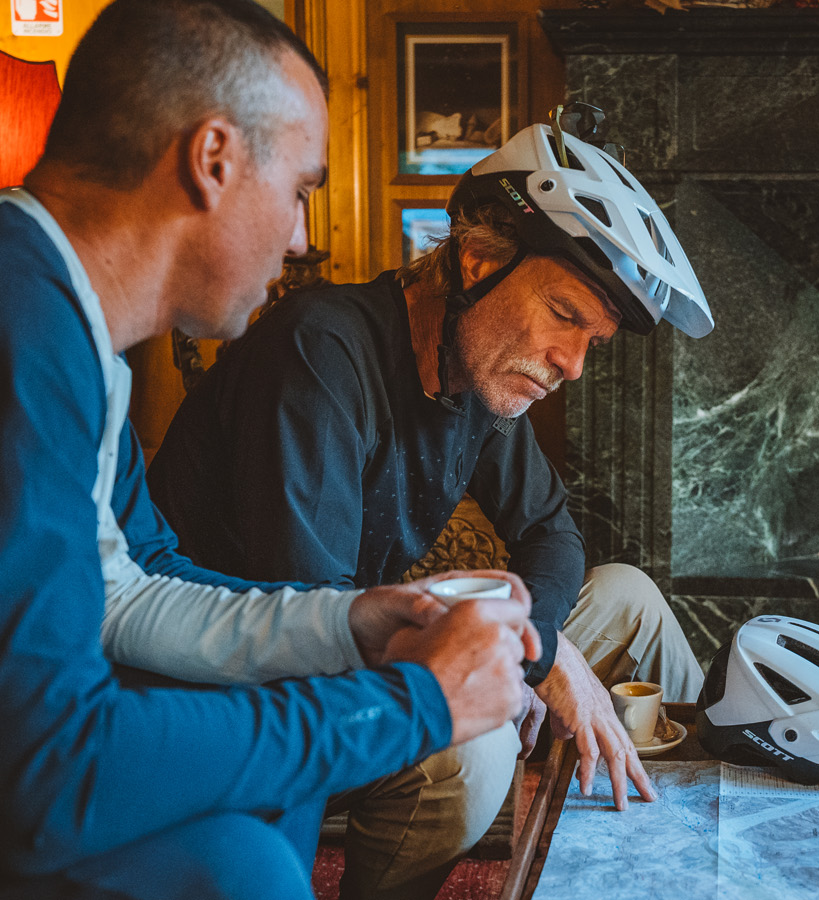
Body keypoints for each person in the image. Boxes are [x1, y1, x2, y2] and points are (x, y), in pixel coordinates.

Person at [0, 2, 536, 898]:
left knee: (262, 777)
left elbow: (125, 594)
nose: (299, 237)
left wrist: (352, 625)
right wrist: (414, 704)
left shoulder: (64, 329)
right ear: (212, 159)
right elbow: (38, 783)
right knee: (234, 867)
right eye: (299, 188)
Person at [146, 108, 716, 885]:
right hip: (248, 698)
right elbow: (320, 616)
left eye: (594, 340)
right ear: (479, 261)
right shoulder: (320, 350)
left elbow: (550, 530)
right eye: (564, 315)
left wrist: (537, 640)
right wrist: (533, 651)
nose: (574, 364)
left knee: (631, 597)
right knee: (470, 747)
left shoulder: (479, 370)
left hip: (356, 652)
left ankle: (677, 851)